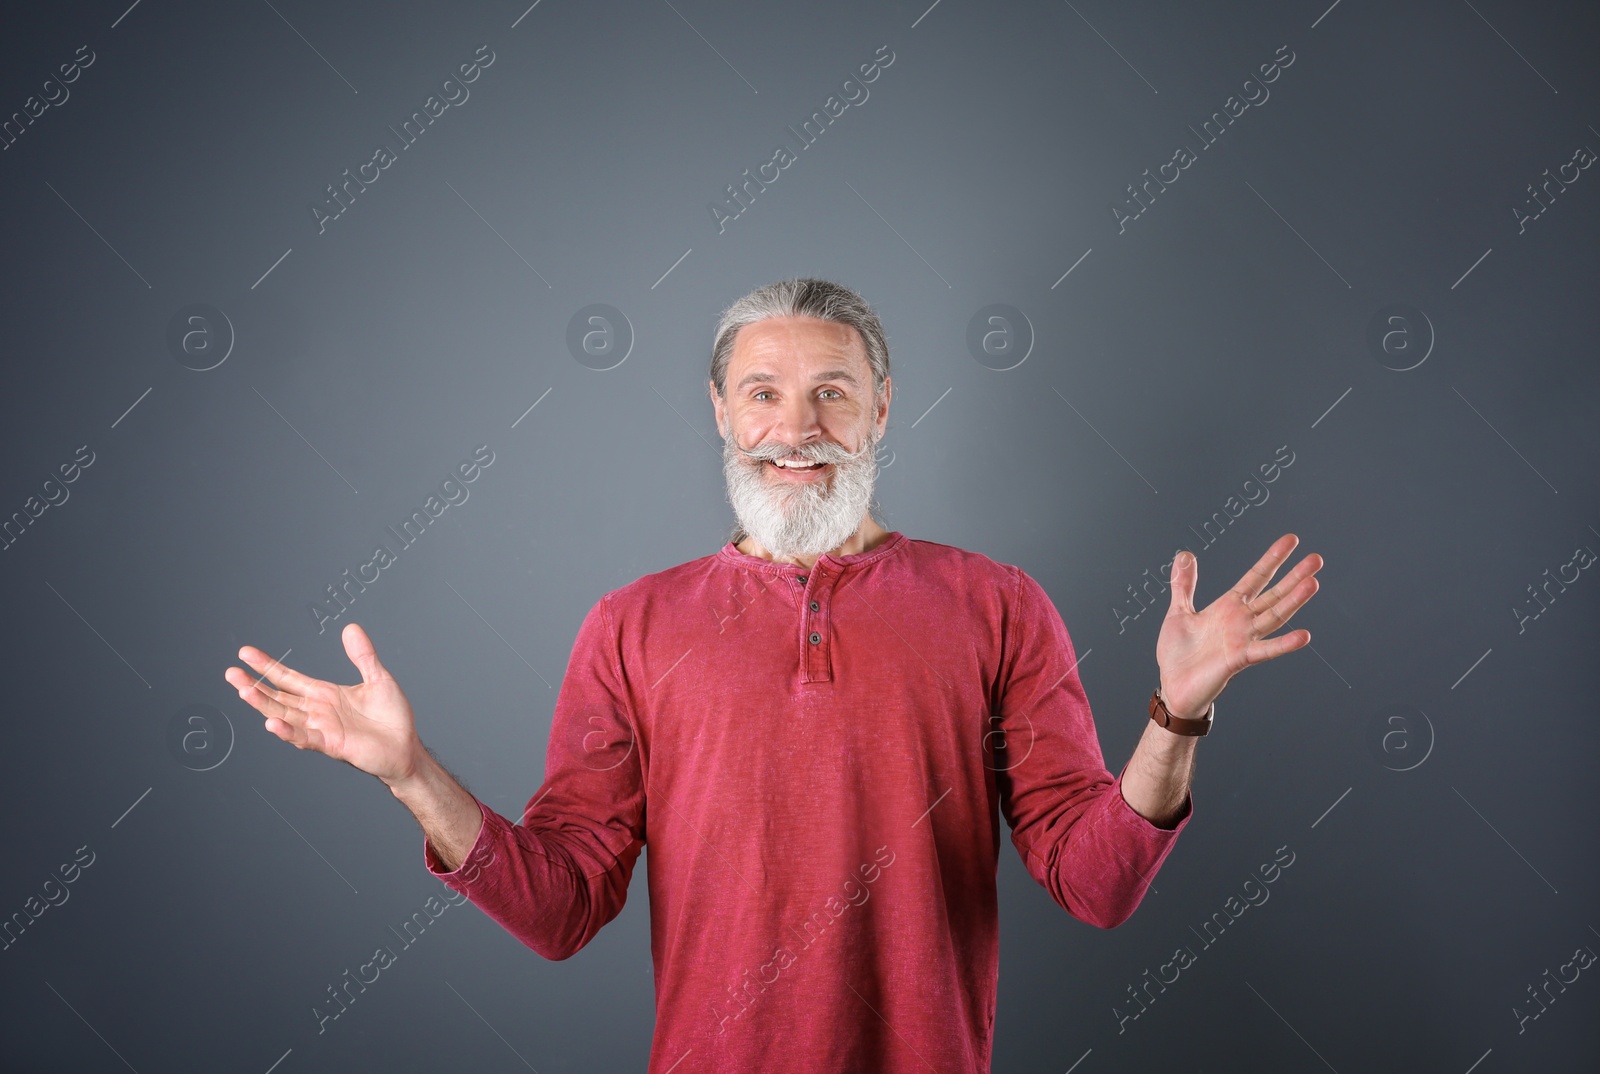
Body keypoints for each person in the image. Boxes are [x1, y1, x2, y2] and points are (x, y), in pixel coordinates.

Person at [223, 277, 1322, 1072]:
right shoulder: (631, 625)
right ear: (718, 413)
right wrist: (410, 773)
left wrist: (1176, 714)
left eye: (832, 394)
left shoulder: (996, 604)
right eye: (761, 394)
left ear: (884, 407)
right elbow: (560, 907)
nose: (795, 428)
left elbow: (1097, 883)